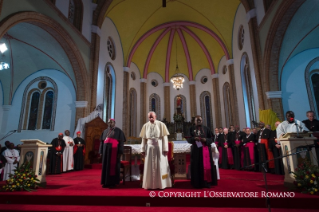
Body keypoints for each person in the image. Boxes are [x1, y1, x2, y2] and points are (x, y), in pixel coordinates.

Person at [140, 111, 171, 190]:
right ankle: (150, 185)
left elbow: (164, 138)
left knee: (161, 166)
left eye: (152, 117)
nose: (151, 118)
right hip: (149, 149)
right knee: (149, 167)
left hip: (159, 148)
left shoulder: (161, 124)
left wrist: (165, 149)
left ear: (155, 116)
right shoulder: (145, 126)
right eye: (149, 117)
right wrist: (142, 149)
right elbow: (143, 139)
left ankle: (162, 184)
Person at [187, 115, 217, 188]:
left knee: (206, 165)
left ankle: (206, 182)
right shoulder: (191, 128)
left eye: (200, 120)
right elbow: (188, 138)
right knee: (196, 165)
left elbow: (212, 138)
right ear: (195, 121)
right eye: (197, 120)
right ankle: (197, 183)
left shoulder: (206, 129)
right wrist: (194, 138)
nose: (199, 121)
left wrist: (206, 140)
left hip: (205, 149)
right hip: (196, 151)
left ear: (202, 120)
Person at [99, 118, 126, 188]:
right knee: (105, 166)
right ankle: (105, 182)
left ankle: (112, 183)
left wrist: (120, 151)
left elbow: (121, 143)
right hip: (106, 150)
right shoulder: (105, 131)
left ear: (114, 122)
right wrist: (101, 151)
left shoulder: (119, 131)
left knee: (113, 167)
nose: (110, 124)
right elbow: (102, 142)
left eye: (111, 122)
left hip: (114, 150)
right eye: (108, 122)